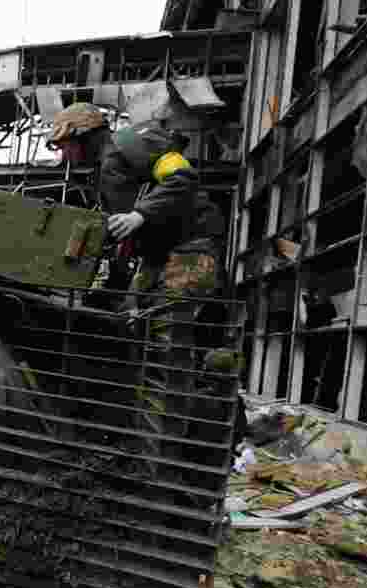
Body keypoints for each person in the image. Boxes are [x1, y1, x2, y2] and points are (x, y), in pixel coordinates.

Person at [50, 107, 232, 463]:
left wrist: (140, 215)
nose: (64, 154)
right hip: (157, 258)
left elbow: (182, 177)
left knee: (168, 352)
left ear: (83, 136)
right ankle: (142, 442)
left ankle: (163, 462)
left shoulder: (128, 142)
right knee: (133, 334)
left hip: (190, 252)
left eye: (65, 145)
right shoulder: (106, 168)